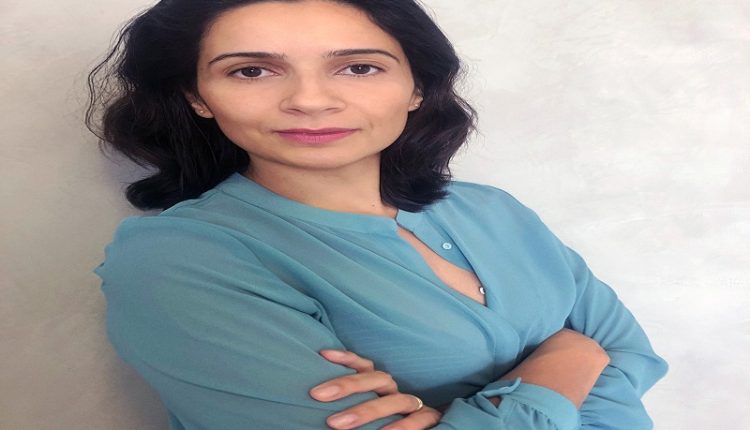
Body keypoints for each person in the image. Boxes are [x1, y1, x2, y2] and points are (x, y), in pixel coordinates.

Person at [87, 0, 668, 429]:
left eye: (359, 67)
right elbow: (601, 354)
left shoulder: (493, 209)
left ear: (417, 87)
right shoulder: (179, 260)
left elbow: (631, 355)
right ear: (196, 96)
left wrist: (470, 413)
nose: (310, 100)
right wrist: (571, 355)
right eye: (252, 71)